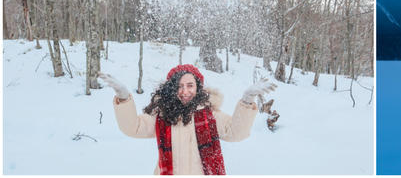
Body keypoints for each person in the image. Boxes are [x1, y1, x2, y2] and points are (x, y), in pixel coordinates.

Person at [99, 65, 276, 175]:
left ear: (198, 88)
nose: (185, 91)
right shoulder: (163, 116)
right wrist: (123, 97)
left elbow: (237, 133)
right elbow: (133, 128)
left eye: (190, 85)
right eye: (180, 86)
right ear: (172, 89)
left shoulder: (210, 115)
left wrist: (247, 100)